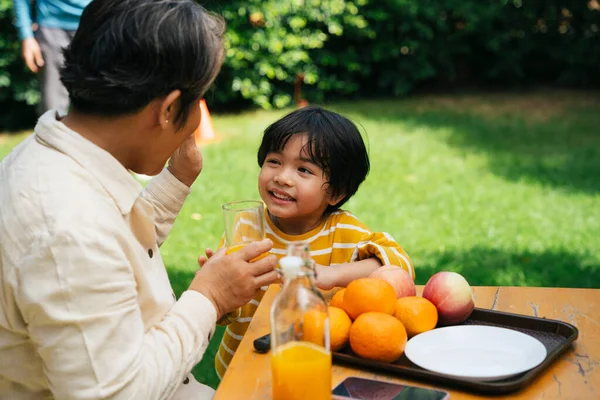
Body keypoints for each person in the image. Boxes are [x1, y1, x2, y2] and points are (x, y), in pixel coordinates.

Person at [0, 1, 279, 399]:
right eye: (198, 99)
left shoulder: (54, 159)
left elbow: (115, 246)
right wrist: (208, 298)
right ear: (168, 109)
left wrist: (178, 178)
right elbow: (116, 393)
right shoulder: (65, 225)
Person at [213, 106, 415, 379]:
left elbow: (399, 265)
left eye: (303, 170)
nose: (282, 177)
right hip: (244, 369)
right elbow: (228, 313)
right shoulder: (247, 228)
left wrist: (331, 274)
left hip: (314, 367)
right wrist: (217, 291)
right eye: (274, 161)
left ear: (335, 192)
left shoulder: (344, 231)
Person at [12, 0, 92, 115]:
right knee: (51, 108)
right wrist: (26, 35)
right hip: (51, 29)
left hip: (99, 23)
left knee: (104, 104)